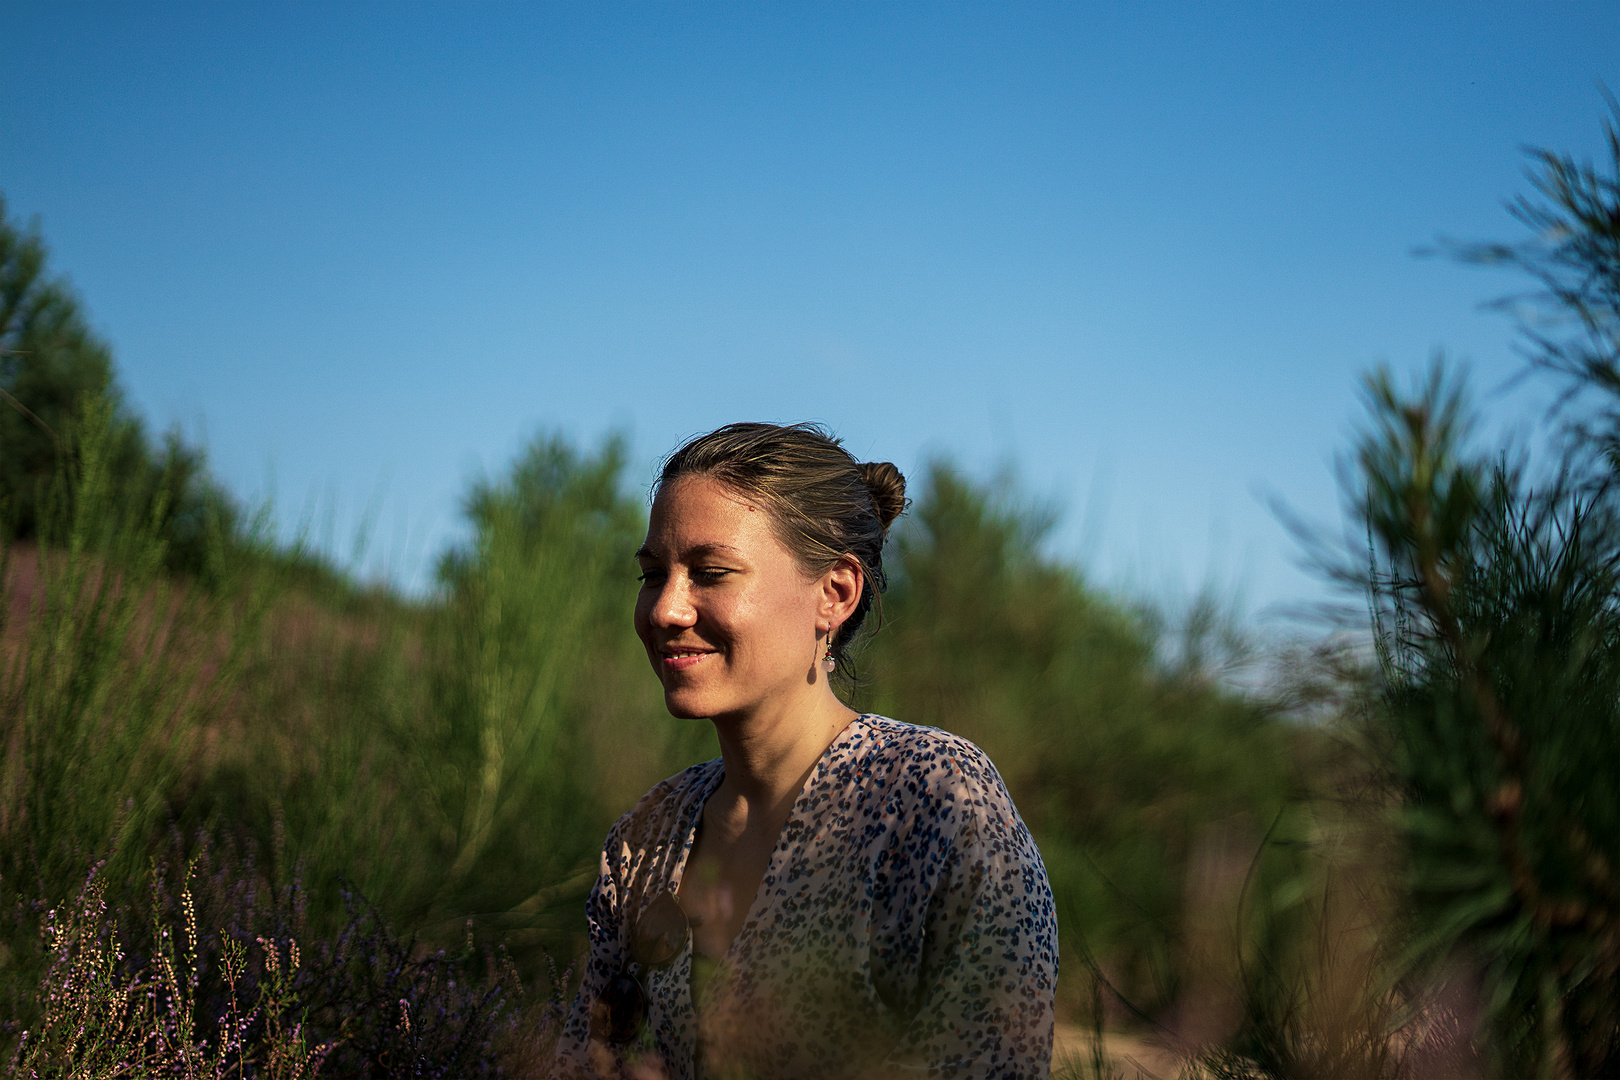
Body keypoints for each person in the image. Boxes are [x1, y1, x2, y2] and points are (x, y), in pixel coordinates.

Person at [555, 422, 1057, 1080]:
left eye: (709, 573)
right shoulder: (645, 843)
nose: (666, 609)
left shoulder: (936, 802)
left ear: (835, 593)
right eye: (654, 575)